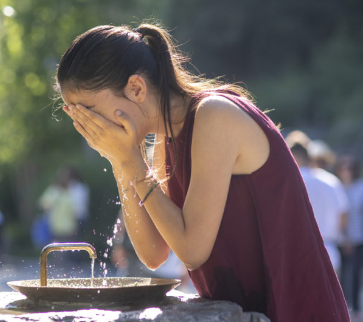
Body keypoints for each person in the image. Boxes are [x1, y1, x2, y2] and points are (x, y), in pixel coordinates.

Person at [54, 22, 349, 321]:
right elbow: (154, 253)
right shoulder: (162, 140)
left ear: (136, 88)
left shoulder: (214, 115)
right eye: (75, 115)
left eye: (88, 111)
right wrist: (120, 160)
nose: (86, 126)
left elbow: (192, 250)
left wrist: (131, 162)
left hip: (298, 310)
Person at [286, 135, 346, 273]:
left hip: (298, 253)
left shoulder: (289, 182)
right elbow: (343, 218)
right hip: (330, 250)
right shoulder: (331, 180)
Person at [335, 155, 363, 321]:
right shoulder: (335, 186)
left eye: (349, 168)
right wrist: (344, 238)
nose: (346, 171)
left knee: (356, 274)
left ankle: (357, 310)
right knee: (341, 276)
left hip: (359, 237)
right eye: (344, 168)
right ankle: (343, 308)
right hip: (339, 238)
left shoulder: (360, 187)